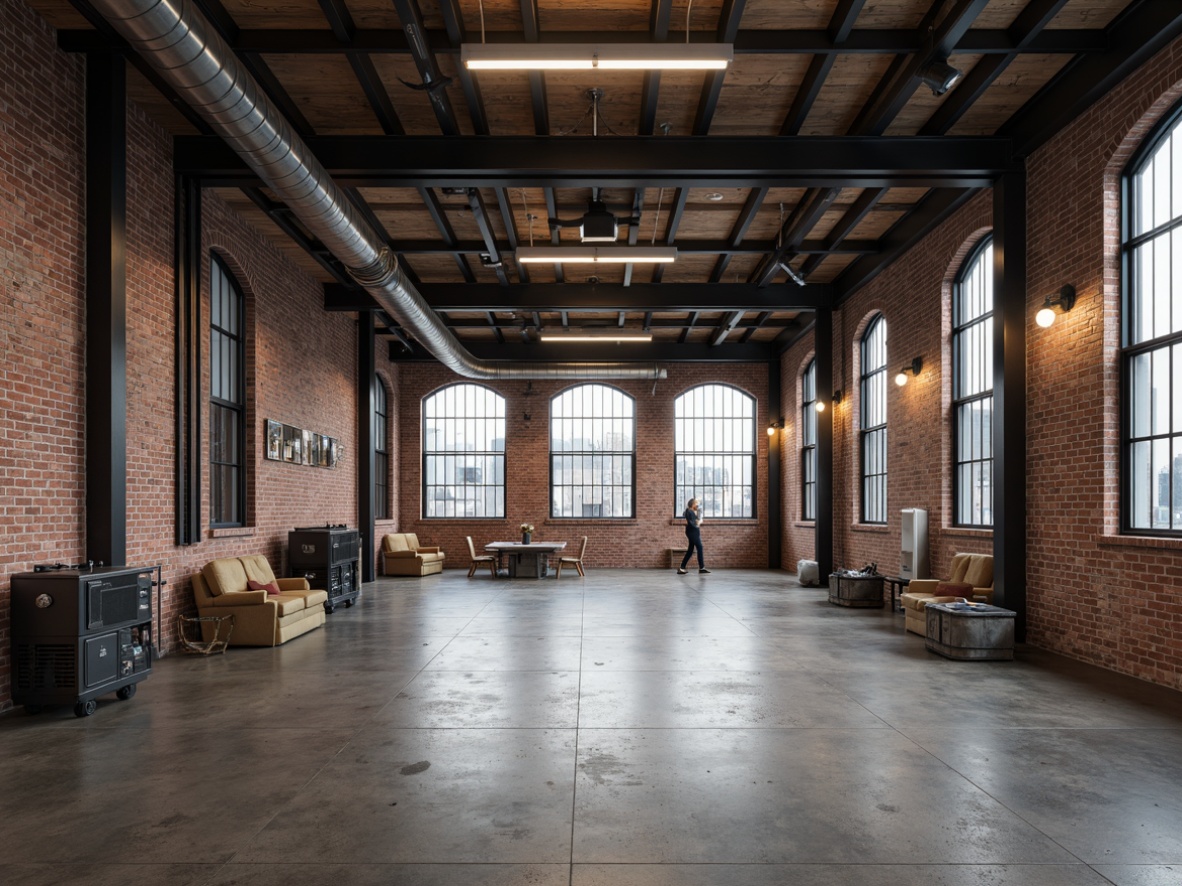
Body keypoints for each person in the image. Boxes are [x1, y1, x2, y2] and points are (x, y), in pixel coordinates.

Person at [677, 497, 710, 574]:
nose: (697, 505)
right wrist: (698, 523)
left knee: (690, 550)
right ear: (692, 504)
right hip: (693, 532)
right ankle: (701, 567)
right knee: (700, 547)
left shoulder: (690, 511)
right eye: (696, 503)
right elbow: (693, 523)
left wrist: (698, 519)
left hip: (693, 532)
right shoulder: (689, 511)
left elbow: (694, 521)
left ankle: (682, 567)